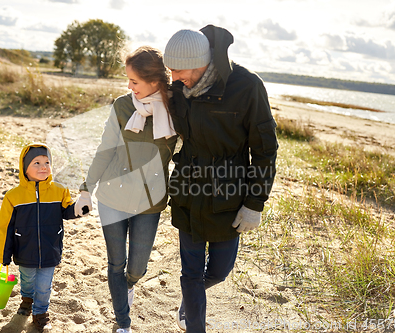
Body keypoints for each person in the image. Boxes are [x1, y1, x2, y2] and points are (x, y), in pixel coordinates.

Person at [163, 25, 279, 332]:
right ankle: (193, 321)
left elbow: (265, 150)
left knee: (220, 270)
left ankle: (190, 300)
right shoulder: (178, 88)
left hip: (227, 196)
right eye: (170, 70)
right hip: (187, 192)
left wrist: (255, 204)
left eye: (178, 70)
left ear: (201, 63)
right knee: (190, 274)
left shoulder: (246, 86)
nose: (174, 78)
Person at [74, 46, 178, 333]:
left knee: (137, 269)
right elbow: (105, 149)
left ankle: (128, 285)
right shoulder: (122, 106)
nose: (128, 87)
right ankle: (123, 324)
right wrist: (86, 190)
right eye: (128, 80)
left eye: (134, 81)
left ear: (155, 81)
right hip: (113, 197)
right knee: (116, 264)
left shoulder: (175, 109)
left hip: (150, 202)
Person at [0, 143, 82, 332]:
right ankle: (27, 300)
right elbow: (5, 229)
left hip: (50, 249)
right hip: (24, 250)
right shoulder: (13, 197)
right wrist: (3, 258)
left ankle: (41, 314)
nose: (43, 167)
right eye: (36, 162)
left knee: (44, 286)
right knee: (27, 281)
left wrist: (81, 207)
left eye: (47, 162)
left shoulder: (59, 191)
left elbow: (68, 211)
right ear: (24, 168)